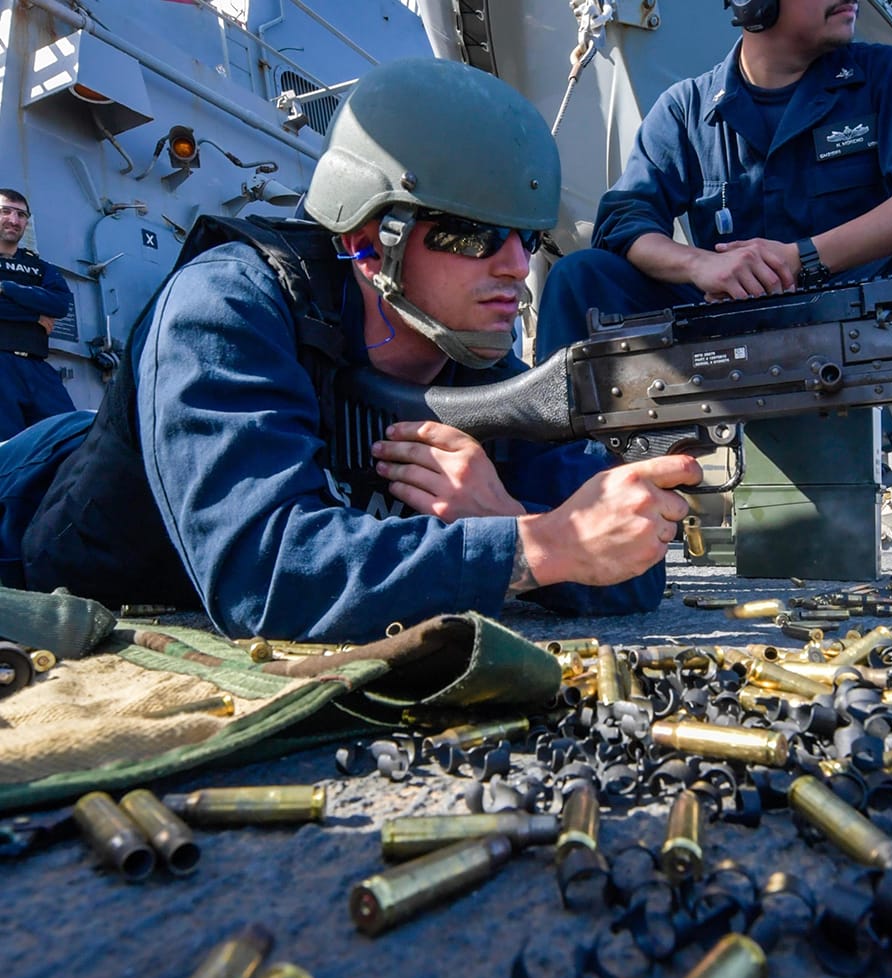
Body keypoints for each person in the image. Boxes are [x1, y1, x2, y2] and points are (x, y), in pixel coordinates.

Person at [13, 58, 699, 641]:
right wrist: (540, 546)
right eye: (476, 234)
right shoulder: (225, 307)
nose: (516, 265)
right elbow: (266, 575)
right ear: (371, 243)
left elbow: (629, 559)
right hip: (33, 515)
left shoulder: (469, 358)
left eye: (527, 238)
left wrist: (509, 520)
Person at [537, 0, 892, 612]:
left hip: (876, 311)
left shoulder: (885, 78)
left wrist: (804, 257)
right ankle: (554, 516)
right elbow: (626, 219)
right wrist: (701, 264)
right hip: (737, 316)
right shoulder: (688, 108)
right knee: (584, 280)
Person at [0, 189, 75, 440]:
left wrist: (8, 288)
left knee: (69, 438)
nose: (14, 220)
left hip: (37, 367)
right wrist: (34, 317)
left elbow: (60, 304)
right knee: (7, 447)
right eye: (5, 211)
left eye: (21, 215)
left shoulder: (39, 266)